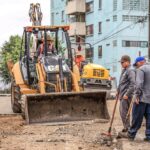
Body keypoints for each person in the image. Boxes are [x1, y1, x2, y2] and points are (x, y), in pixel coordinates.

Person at [118, 56, 150, 141]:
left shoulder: (141, 69)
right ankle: (148, 136)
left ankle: (131, 134)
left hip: (141, 98)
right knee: (149, 117)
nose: (136, 66)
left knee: (136, 117)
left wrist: (137, 96)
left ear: (140, 62)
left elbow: (138, 84)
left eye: (137, 64)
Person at [117, 55, 135, 133]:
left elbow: (133, 84)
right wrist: (118, 91)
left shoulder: (130, 70)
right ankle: (126, 127)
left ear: (128, 62)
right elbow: (121, 82)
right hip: (122, 95)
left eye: (122, 62)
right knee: (122, 112)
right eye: (121, 62)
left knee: (124, 112)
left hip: (126, 96)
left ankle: (128, 128)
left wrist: (127, 94)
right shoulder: (124, 70)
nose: (121, 64)